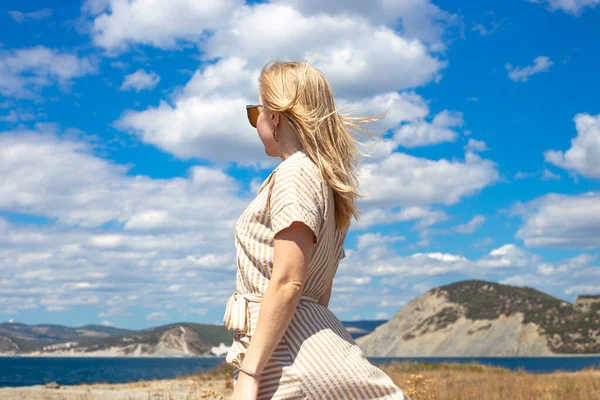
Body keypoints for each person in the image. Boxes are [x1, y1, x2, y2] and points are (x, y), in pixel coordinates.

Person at [223, 56, 411, 400]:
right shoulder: (330, 186)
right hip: (313, 349)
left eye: (256, 113)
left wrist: (250, 372)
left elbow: (288, 280)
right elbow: (320, 294)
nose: (255, 122)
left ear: (275, 117)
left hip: (286, 360)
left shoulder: (295, 173)